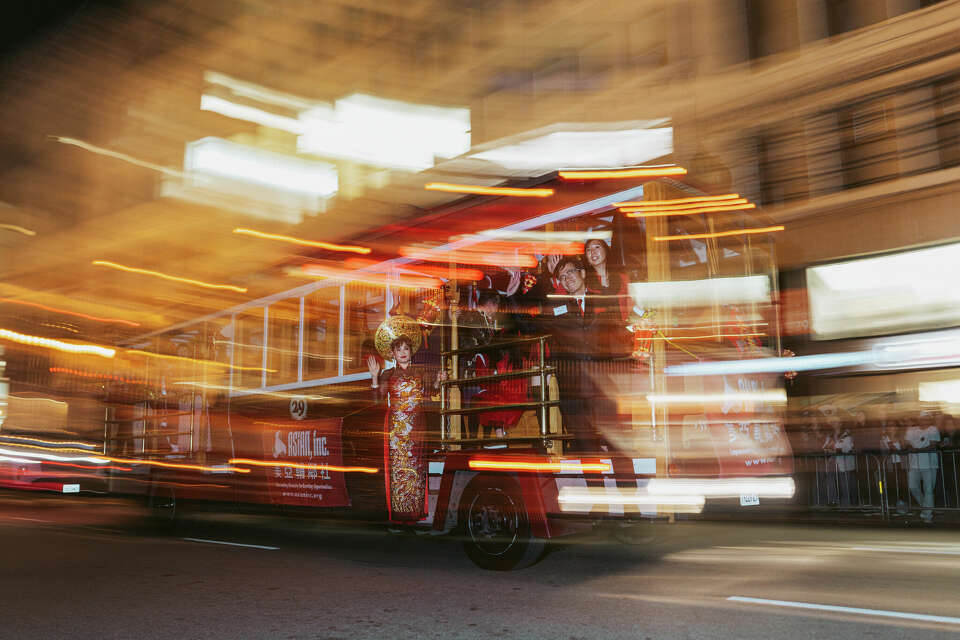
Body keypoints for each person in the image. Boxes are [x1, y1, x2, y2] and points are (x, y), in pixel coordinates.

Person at [367, 335, 445, 525]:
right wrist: (375, 377)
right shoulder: (387, 374)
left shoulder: (420, 372)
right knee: (398, 471)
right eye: (399, 349)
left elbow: (431, 391)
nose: (403, 353)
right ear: (393, 354)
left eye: (406, 349)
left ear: (411, 352)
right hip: (396, 430)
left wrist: (438, 382)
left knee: (417, 469)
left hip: (417, 426)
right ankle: (399, 516)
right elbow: (377, 401)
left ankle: (416, 514)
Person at [583, 238, 631, 322]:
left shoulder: (623, 278)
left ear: (606, 251)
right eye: (588, 250)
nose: (592, 252)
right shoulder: (584, 281)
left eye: (597, 247)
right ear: (587, 258)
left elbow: (632, 304)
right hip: (597, 331)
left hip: (622, 329)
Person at [905, 413, 941, 523]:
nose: (924, 420)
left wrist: (918, 450)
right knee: (912, 487)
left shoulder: (933, 429)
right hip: (914, 463)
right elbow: (906, 444)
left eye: (927, 418)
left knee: (928, 490)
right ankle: (926, 508)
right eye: (922, 418)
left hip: (929, 464)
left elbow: (933, 444)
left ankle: (927, 515)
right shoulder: (911, 430)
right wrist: (912, 448)